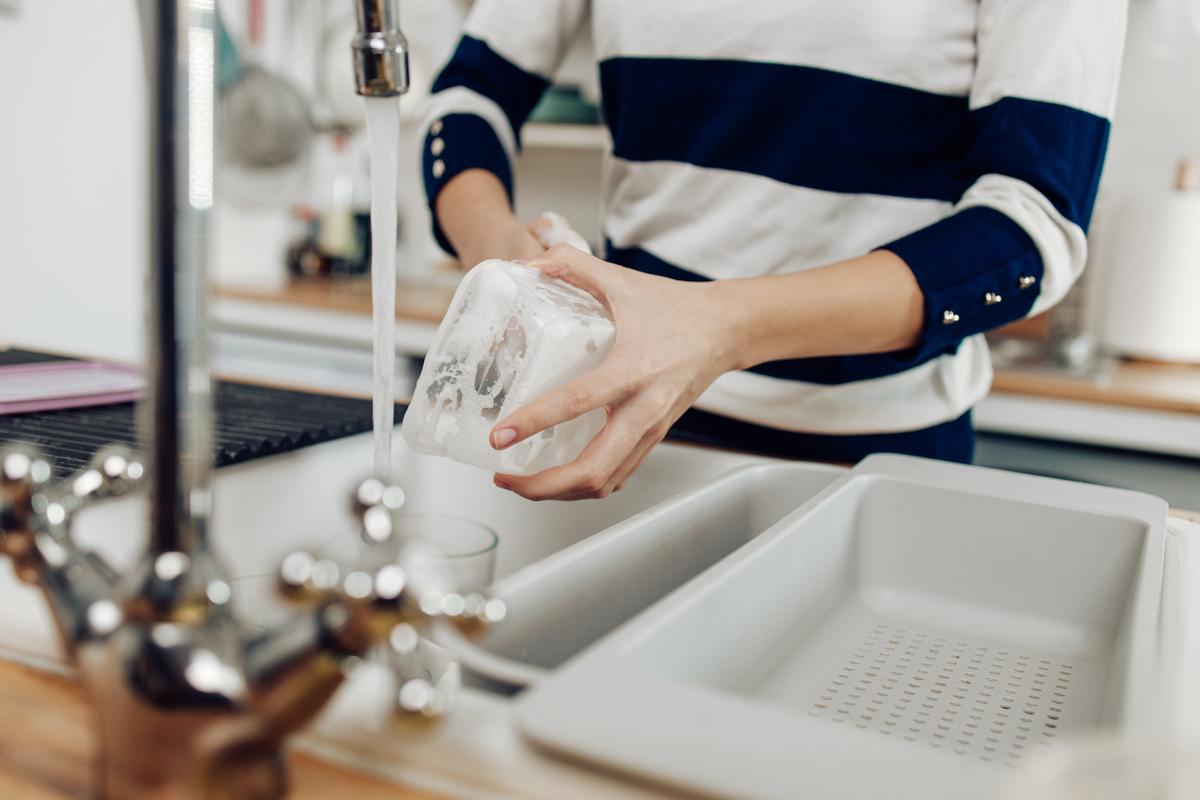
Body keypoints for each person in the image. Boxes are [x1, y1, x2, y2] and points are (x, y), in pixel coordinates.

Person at [419, 1, 1126, 501]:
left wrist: (717, 328)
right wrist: (507, 264)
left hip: (875, 463)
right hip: (615, 428)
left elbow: (1029, 229)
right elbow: (469, 98)